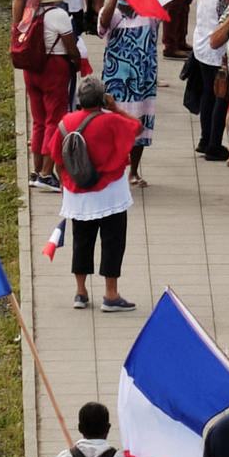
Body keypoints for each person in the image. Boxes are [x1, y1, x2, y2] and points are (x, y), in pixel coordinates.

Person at [54, 74, 145, 311]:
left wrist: (64, 182)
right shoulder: (111, 121)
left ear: (80, 99)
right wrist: (115, 107)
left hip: (78, 192)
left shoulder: (66, 123)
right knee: (112, 241)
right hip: (110, 191)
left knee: (81, 241)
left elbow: (57, 155)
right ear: (101, 99)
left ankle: (81, 292)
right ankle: (110, 294)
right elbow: (137, 127)